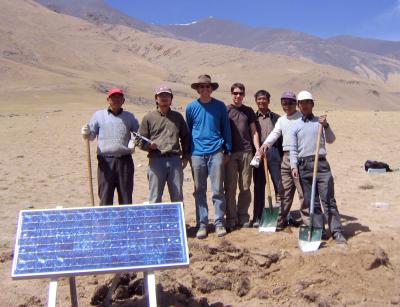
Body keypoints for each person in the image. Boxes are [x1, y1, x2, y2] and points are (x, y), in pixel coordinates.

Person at [290, 90, 346, 244]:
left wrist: (326, 126)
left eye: (308, 102)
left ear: (312, 104)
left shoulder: (320, 123)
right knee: (312, 202)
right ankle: (319, 231)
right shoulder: (295, 126)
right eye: (302, 103)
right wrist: (294, 166)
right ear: (299, 106)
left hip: (320, 165)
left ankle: (337, 232)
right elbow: (293, 149)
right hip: (303, 166)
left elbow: (331, 140)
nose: (305, 105)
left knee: (328, 200)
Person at [186, 74, 232, 239]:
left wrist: (227, 148)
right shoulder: (191, 107)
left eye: (207, 86)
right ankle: (202, 224)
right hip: (197, 154)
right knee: (199, 190)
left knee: (218, 189)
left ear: (211, 88)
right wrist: (188, 153)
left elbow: (226, 127)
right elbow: (189, 130)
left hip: (216, 152)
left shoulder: (220, 106)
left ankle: (219, 222)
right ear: (198, 89)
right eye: (202, 87)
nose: (205, 89)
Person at [81, 87, 139, 206]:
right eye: (113, 97)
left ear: (123, 100)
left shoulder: (129, 117)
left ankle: (125, 223)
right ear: (108, 99)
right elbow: (91, 136)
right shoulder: (98, 115)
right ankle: (105, 223)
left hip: (125, 161)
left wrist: (134, 142)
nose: (116, 100)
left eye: (119, 97)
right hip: (105, 162)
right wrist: (85, 133)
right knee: (105, 195)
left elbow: (139, 134)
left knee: (125, 196)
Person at [136, 85, 190, 203]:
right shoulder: (148, 118)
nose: (164, 98)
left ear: (171, 99)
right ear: (156, 99)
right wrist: (148, 146)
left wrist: (186, 157)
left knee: (177, 196)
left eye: (167, 95)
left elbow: (186, 137)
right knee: (155, 196)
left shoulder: (178, 117)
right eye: (161, 95)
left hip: (175, 160)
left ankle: (177, 221)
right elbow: (139, 140)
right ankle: (155, 221)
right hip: (156, 161)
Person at [259, 91, 305, 230]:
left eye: (290, 103)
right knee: (283, 191)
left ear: (295, 104)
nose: (287, 106)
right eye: (284, 103)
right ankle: (279, 221)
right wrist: (266, 144)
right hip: (286, 157)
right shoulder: (282, 120)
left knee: (303, 192)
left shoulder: (302, 117)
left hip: (300, 157)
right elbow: (275, 133)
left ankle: (307, 222)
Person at [224, 83, 260, 231]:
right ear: (232, 94)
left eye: (240, 93)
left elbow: (254, 132)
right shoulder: (225, 111)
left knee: (245, 186)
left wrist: (257, 149)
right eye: (235, 93)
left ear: (244, 95)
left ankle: (243, 216)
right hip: (230, 153)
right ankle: (231, 218)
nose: (237, 96)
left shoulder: (248, 111)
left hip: (246, 152)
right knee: (230, 187)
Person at [252, 90, 282, 227]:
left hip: (274, 152)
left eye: (264, 99)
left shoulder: (276, 118)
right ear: (256, 101)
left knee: (279, 185)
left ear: (268, 101)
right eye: (259, 99)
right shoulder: (252, 117)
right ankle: (257, 217)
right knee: (259, 186)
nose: (261, 101)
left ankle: (281, 216)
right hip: (258, 154)